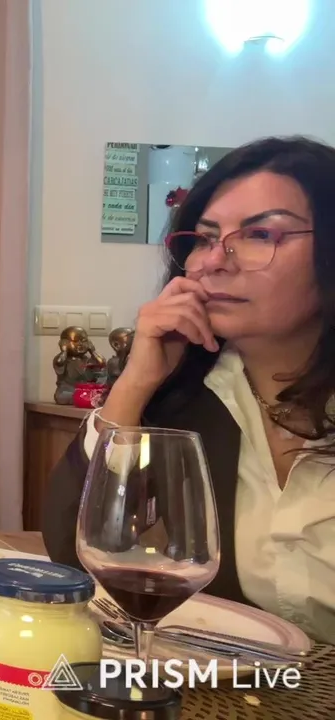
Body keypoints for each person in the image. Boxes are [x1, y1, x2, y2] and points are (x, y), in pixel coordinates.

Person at [43, 136, 335, 644]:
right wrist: (137, 379)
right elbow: (73, 551)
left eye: (259, 233)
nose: (213, 261)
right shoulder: (196, 400)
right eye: (203, 238)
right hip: (252, 682)